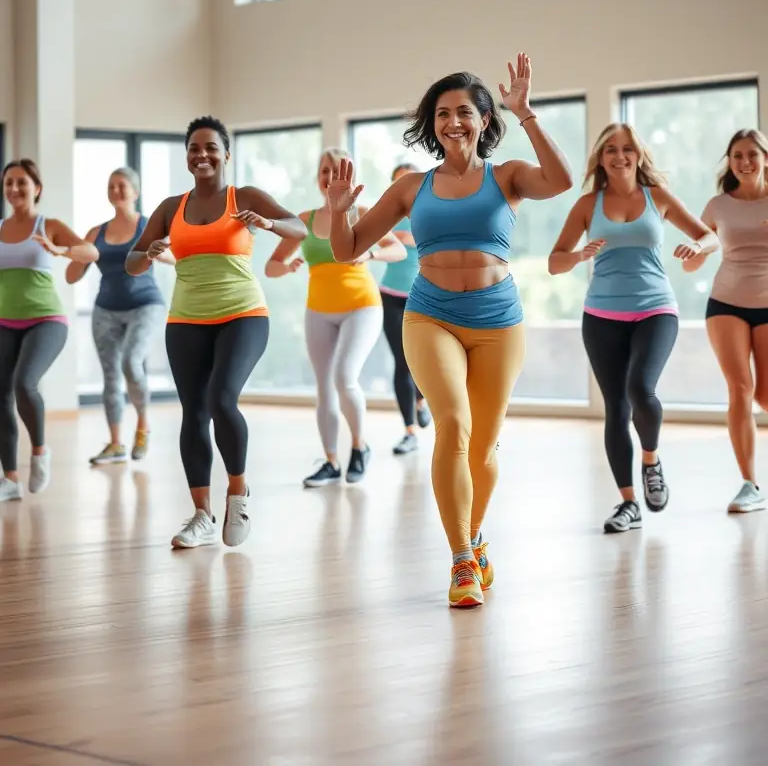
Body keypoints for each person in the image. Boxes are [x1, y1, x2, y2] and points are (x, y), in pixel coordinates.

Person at [328, 54, 573, 609]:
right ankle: (462, 557)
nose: (452, 122)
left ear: (485, 119)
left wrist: (528, 113)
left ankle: (474, 538)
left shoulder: (506, 175)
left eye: (464, 111)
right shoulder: (413, 187)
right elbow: (347, 248)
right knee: (453, 426)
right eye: (442, 114)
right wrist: (339, 210)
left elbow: (559, 181)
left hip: (497, 321)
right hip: (430, 314)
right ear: (432, 125)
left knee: (483, 447)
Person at [126, 116, 306, 549]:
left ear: (227, 154)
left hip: (243, 314)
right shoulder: (171, 207)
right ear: (187, 156)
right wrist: (147, 252)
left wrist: (266, 224)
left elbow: (299, 227)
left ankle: (238, 493)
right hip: (186, 320)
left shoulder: (243, 197)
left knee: (222, 399)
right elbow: (132, 262)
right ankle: (202, 515)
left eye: (210, 147)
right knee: (194, 412)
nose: (201, 155)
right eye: (193, 148)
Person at [549, 123, 718, 534]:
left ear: (638, 155)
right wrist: (577, 255)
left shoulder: (655, 196)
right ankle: (628, 503)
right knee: (616, 409)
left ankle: (651, 459)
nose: (619, 156)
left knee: (641, 389)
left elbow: (709, 236)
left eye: (627, 149)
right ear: (601, 158)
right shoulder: (588, 205)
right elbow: (555, 261)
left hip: (656, 308)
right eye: (611, 149)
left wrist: (697, 249)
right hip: (601, 315)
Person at [265, 147, 406, 488]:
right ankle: (330, 460)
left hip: (362, 305)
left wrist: (371, 252)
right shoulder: (305, 219)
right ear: (318, 179)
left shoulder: (362, 213)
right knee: (324, 388)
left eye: (336, 170)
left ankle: (360, 446)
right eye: (324, 171)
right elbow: (271, 267)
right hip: (319, 310)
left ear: (350, 178)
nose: (330, 177)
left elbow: (399, 250)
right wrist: (289, 266)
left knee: (345, 377)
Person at [0, 158, 99, 501]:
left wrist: (61, 249)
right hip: (4, 321)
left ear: (36, 188)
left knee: (24, 382)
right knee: (1, 396)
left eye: (21, 182)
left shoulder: (48, 224)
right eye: (9, 182)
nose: (14, 189)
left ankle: (40, 451)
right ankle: (9, 479)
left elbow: (91, 252)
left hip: (47, 320)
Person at [682, 129, 768, 513]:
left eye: (752, 154)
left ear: (765, 158)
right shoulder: (718, 205)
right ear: (729, 161)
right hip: (726, 302)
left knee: (764, 395)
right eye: (737, 155)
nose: (745, 162)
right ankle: (750, 484)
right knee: (740, 388)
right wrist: (692, 254)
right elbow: (700, 249)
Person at [66, 167, 171, 466]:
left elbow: (176, 258)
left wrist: (158, 253)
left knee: (131, 361)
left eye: (121, 186)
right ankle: (115, 444)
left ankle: (143, 423)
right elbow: (73, 276)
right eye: (111, 186)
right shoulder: (95, 233)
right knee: (111, 376)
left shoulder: (150, 225)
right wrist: (73, 254)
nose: (115, 191)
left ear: (135, 192)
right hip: (105, 310)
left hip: (145, 304)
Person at [378, 162, 433, 455]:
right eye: (398, 181)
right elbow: (377, 240)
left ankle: (422, 398)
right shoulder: (388, 216)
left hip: (424, 296)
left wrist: (404, 239)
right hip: (390, 295)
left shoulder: (431, 212)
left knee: (421, 360)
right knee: (401, 361)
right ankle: (409, 431)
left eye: (409, 180)